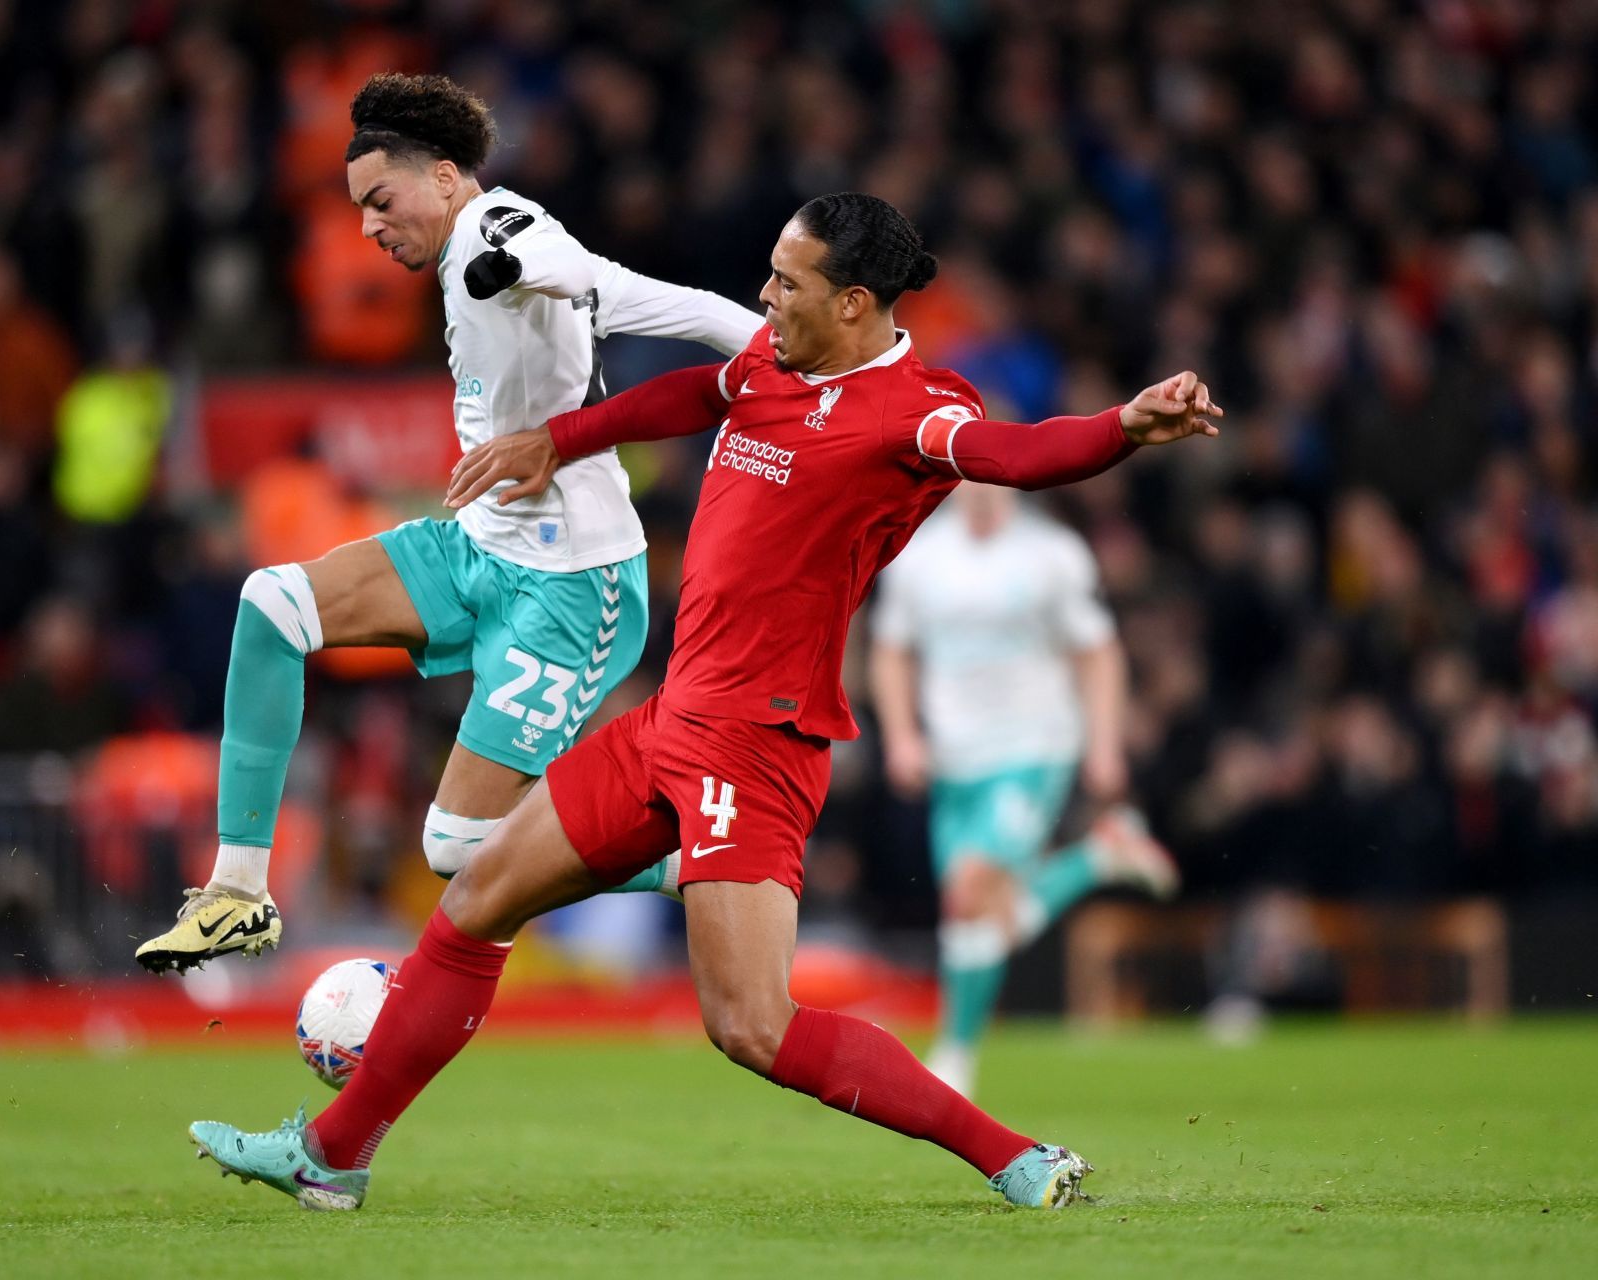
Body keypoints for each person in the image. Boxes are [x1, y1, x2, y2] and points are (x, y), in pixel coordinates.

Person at [184, 192, 1221, 1210]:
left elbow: (1023, 454)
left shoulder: (918, 413)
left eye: (788, 280)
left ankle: (1014, 1154)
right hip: (672, 719)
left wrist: (1123, 427)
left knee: (751, 1026)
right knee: (472, 897)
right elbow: (693, 395)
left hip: (757, 744)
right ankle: (332, 1156)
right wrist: (566, 437)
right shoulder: (773, 363)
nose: (764, 295)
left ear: (856, 302)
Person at [135, 74, 759, 971]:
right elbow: (679, 304)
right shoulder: (472, 247)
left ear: (443, 178)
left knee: (459, 850)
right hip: (476, 550)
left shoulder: (494, 229)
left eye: (379, 202)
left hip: (571, 588)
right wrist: (778, 349)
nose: (367, 227)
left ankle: (687, 856)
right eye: (357, 209)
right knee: (272, 604)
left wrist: (506, 265)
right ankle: (238, 893)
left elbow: (548, 259)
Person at [868, 482, 1180, 1095]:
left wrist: (1104, 744)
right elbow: (890, 650)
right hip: (955, 760)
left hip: (1033, 747)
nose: (982, 485)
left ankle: (953, 1061)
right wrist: (902, 736)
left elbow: (1098, 653)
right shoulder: (918, 555)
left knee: (970, 889)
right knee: (977, 921)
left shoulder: (1052, 555)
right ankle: (1100, 855)